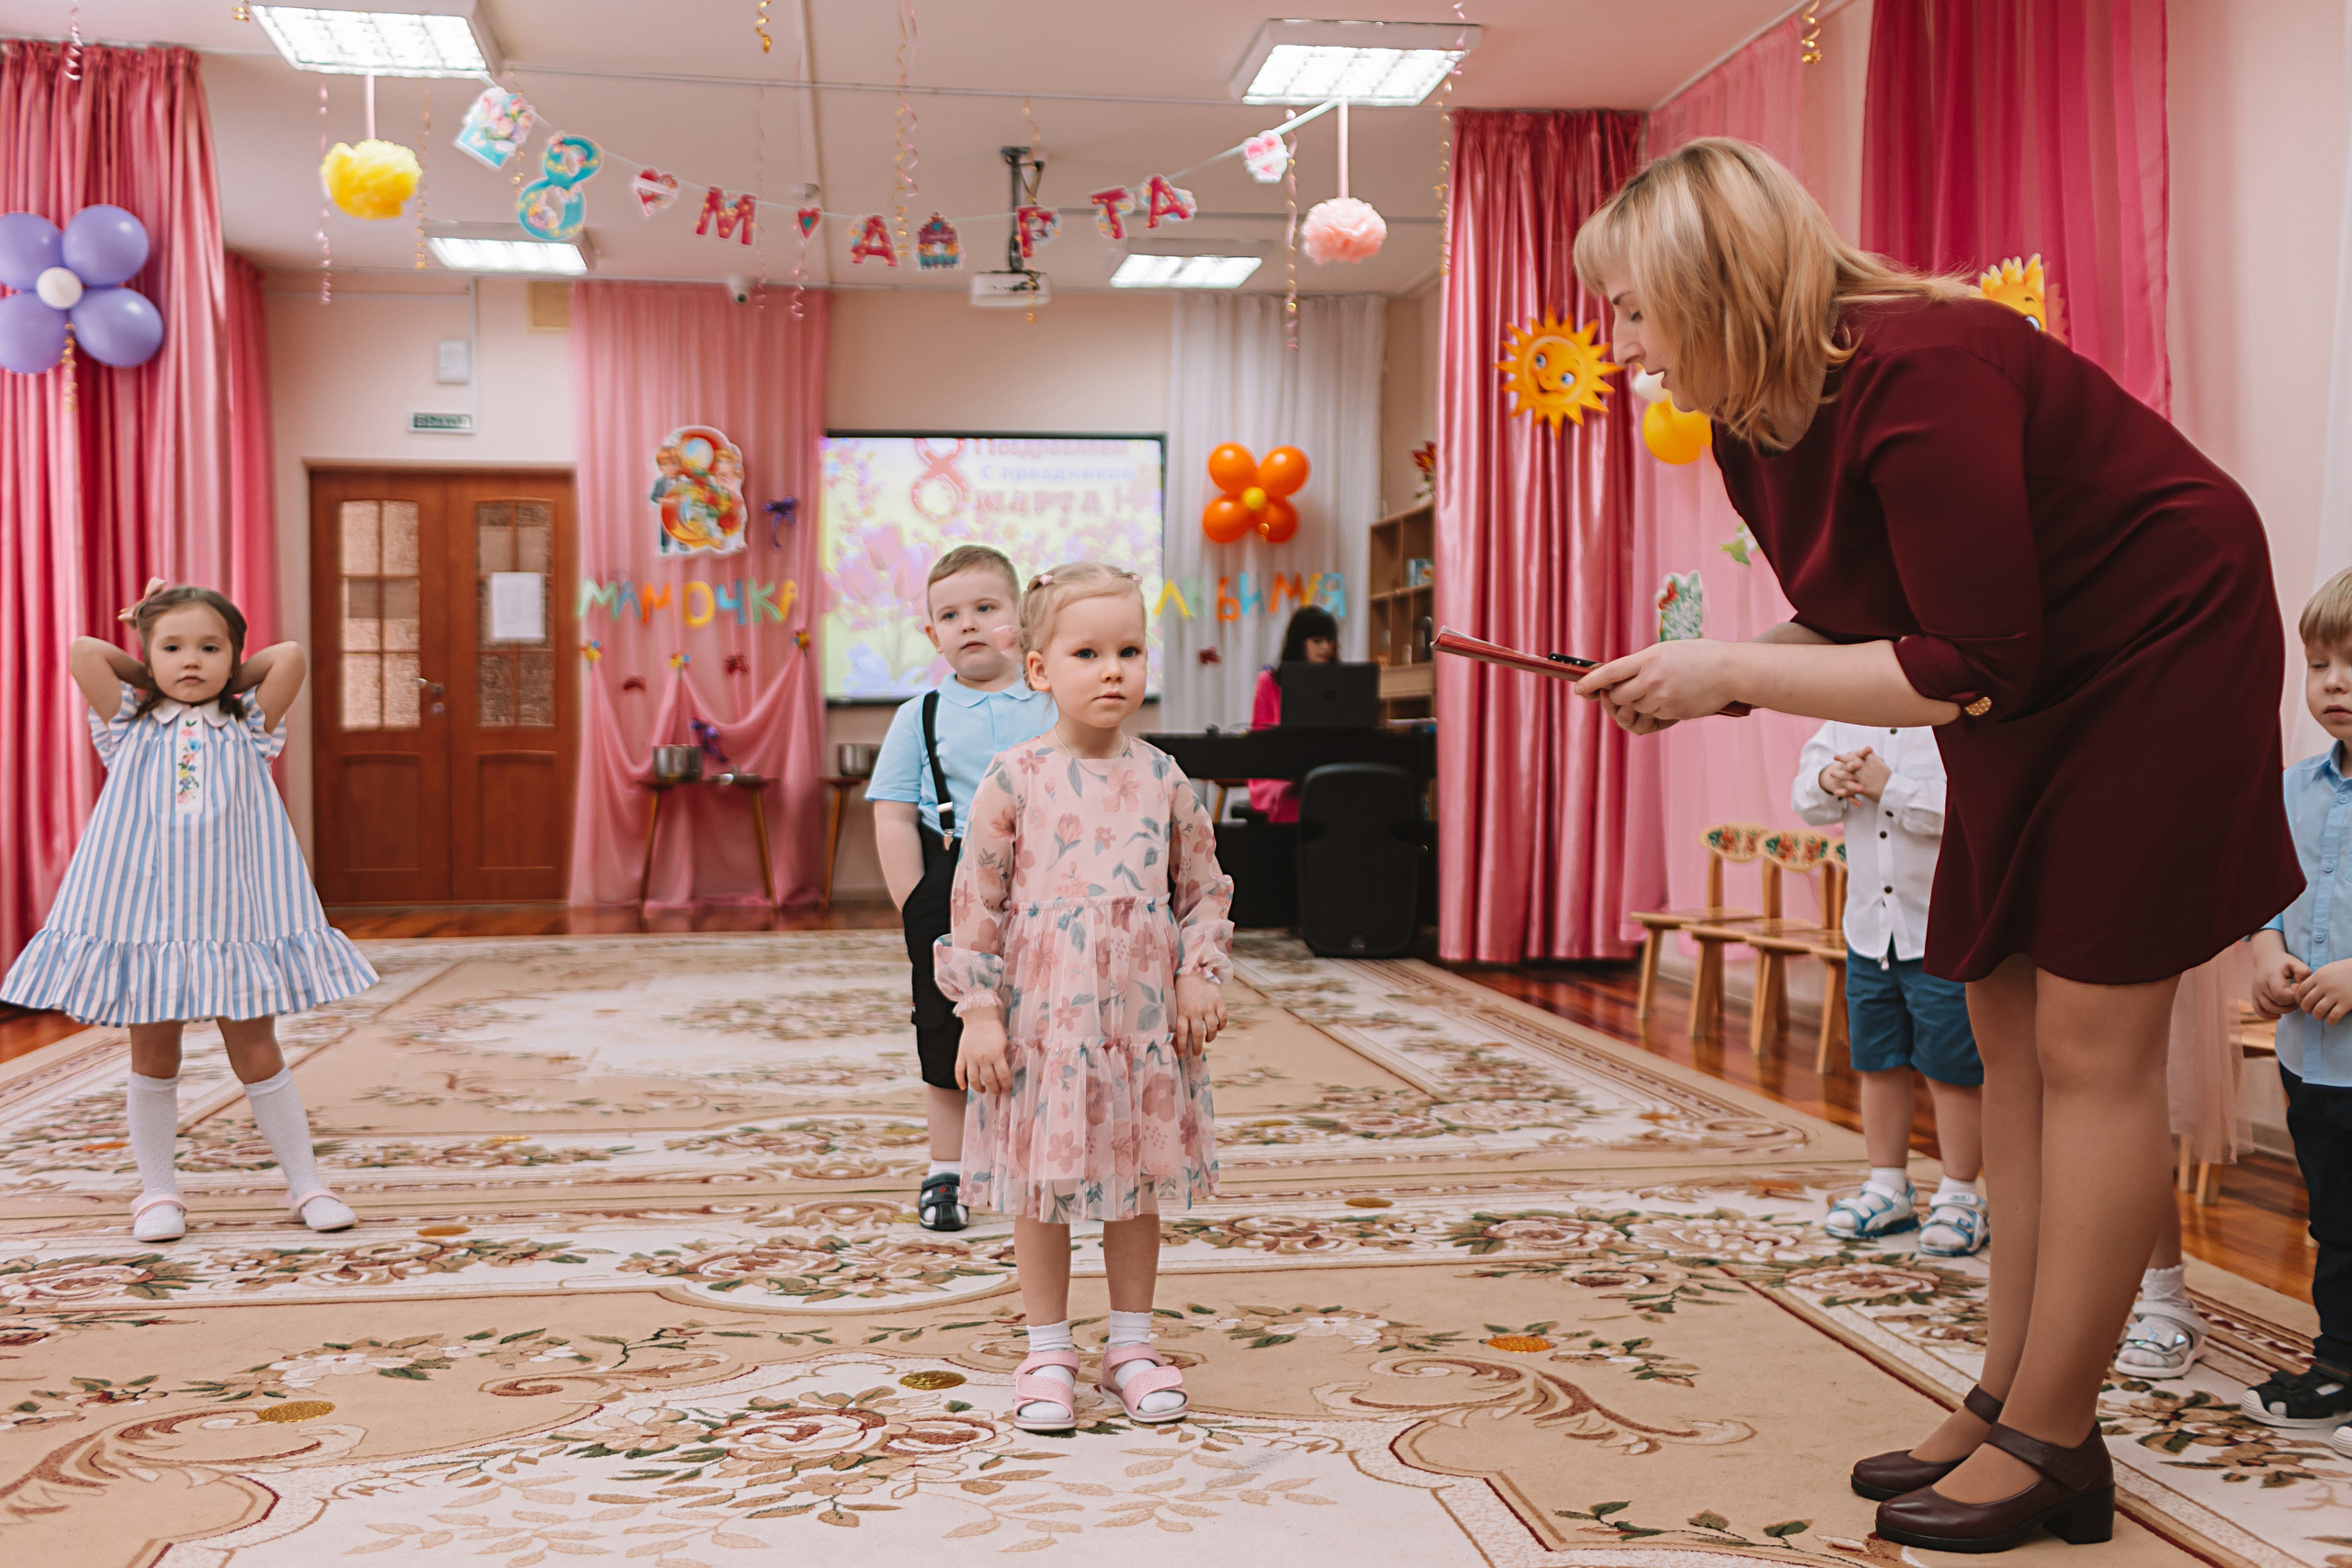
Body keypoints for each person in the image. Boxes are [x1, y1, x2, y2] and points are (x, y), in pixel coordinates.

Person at [1572, 139, 2300, 1551]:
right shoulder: (1752, 424)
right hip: (2026, 671)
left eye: (1636, 310)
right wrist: (1700, 672)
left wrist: (1730, 669)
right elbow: (1861, 624)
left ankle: (2057, 1435)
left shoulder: (1925, 367)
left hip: (2157, 644)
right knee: (2004, 1021)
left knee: (2091, 1047)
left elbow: (1964, 660)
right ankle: (2008, 1392)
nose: (1624, 347)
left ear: (1715, 290)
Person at [933, 561, 1233, 1432]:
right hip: (1046, 1025)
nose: (1113, 671)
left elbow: (1203, 889)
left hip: (1140, 1026)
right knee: (1046, 1184)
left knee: (1135, 1182)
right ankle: (1048, 1348)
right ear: (1039, 668)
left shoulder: (1164, 777)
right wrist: (979, 1012)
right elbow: (976, 904)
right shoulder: (1014, 776)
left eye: (1129, 651)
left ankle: (1131, 1345)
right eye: (1088, 653)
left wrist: (1197, 971)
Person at [0, 581, 379, 1243]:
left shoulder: (250, 725)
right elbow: (85, 650)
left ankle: (306, 1184)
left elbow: (288, 656)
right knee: (153, 1054)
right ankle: (157, 1193)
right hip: (147, 922)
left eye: (210, 647)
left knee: (257, 1050)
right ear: (148, 657)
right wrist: (149, 656)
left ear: (234, 657)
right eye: (173, 648)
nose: (192, 661)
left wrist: (225, 675)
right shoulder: (127, 722)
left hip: (236, 922)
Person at [868, 546, 1053, 1234]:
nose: (968, 623)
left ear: (1021, 619)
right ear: (931, 634)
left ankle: (1042, 1150)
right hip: (950, 881)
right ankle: (946, 1167)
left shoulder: (1052, 701)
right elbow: (893, 813)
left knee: (1042, 1017)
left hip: (1047, 880)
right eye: (950, 615)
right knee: (945, 1025)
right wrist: (915, 901)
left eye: (985, 607)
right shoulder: (919, 714)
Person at [1792, 723, 1987, 1258]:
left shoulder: (1954, 727)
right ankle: (1887, 1186)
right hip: (1870, 930)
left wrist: (1890, 787)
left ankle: (1961, 1194)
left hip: (1940, 934)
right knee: (1876, 1061)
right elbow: (1806, 802)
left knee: (1953, 1070)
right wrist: (1828, 780)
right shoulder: (1844, 720)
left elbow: (1970, 813)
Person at [2244, 567, 2352, 1458]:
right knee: (2335, 1223)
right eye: (2319, 664)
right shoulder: (2292, 788)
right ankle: (2339, 1363)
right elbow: (2267, 897)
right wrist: (2264, 952)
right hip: (2310, 1059)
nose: (2333, 682)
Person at [1246, 605, 1340, 823]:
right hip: (1277, 776)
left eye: (1329, 640)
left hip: (1322, 770)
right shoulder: (1269, 681)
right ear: (1300, 642)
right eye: (1317, 641)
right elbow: (1262, 741)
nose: (1326, 647)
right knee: (1295, 799)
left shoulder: (1340, 683)